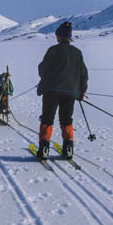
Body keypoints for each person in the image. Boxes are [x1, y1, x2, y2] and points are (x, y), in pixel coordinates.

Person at [36, 21, 88, 160]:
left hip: (51, 91)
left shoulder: (53, 50)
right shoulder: (77, 53)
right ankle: (68, 149)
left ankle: (44, 149)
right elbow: (83, 74)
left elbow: (42, 69)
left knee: (47, 119)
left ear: (59, 36)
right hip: (70, 93)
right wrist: (81, 91)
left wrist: (48, 78)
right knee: (66, 120)